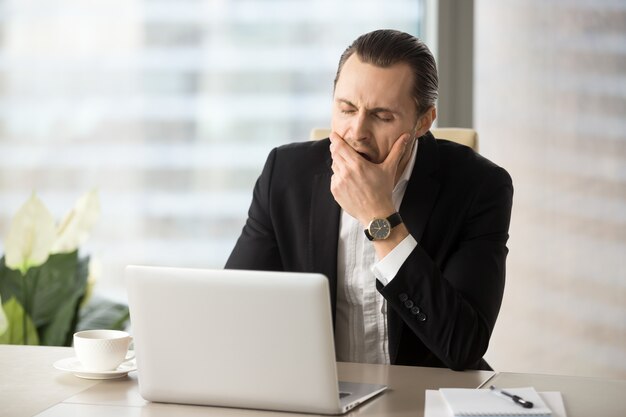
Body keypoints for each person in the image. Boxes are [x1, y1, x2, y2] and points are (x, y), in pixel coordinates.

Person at [225, 29, 513, 371]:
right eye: (346, 109)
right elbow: (235, 312)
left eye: (382, 116)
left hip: (424, 397)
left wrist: (381, 218)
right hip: (320, 394)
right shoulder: (285, 175)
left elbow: (463, 345)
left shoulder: (480, 187)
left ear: (423, 121)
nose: (357, 131)